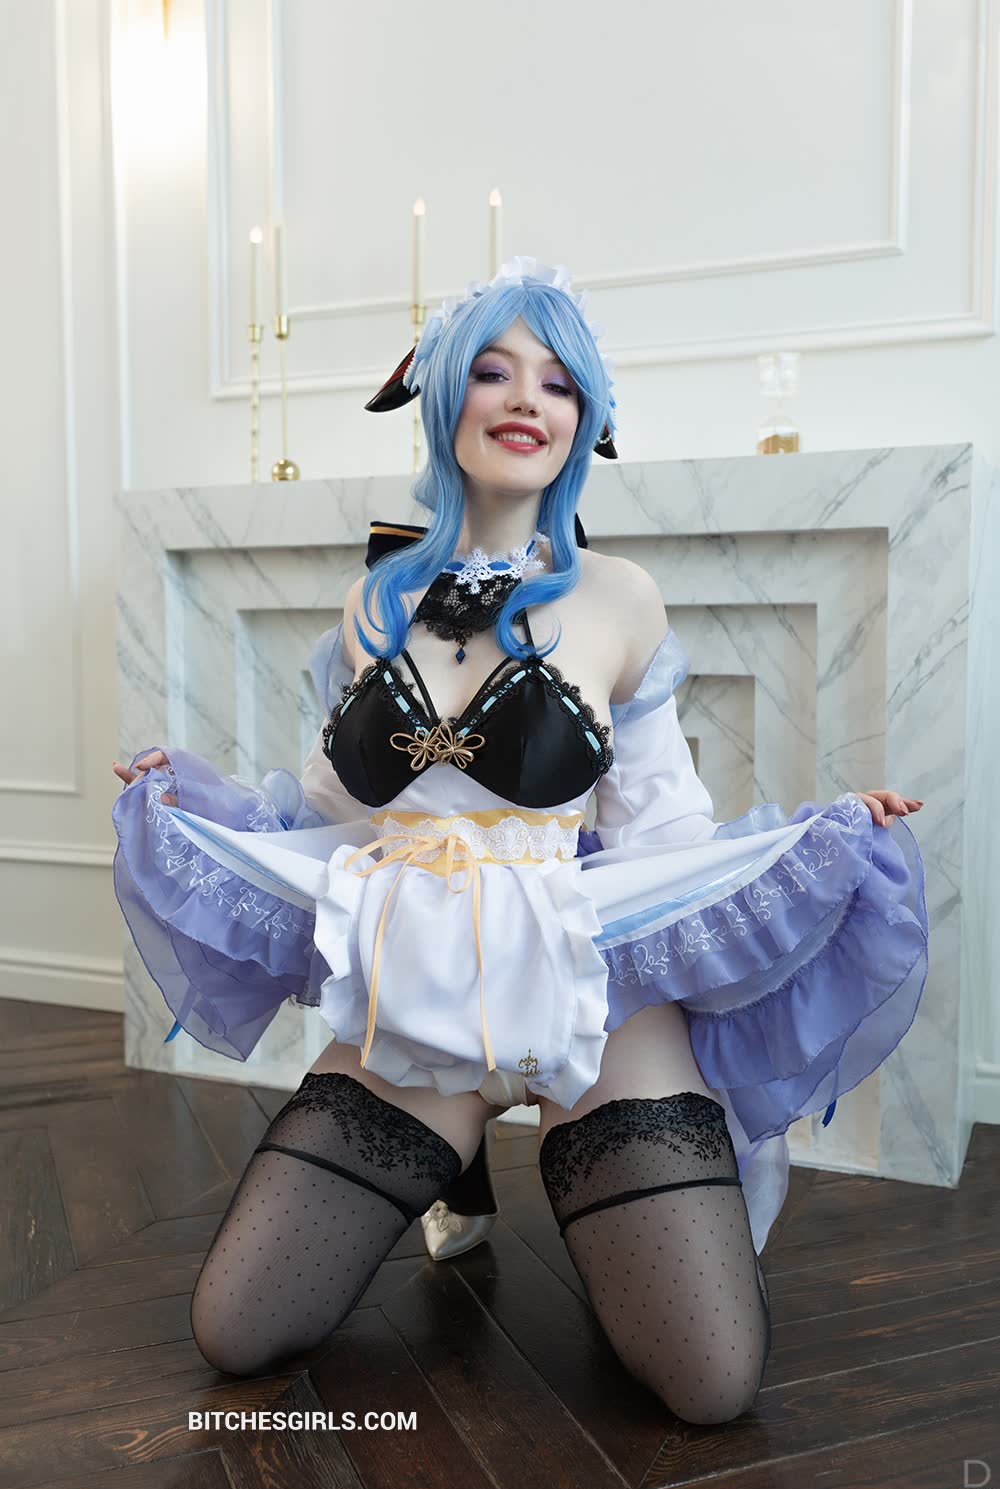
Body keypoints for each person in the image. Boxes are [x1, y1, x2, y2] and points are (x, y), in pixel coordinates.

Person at [111, 255, 928, 1424]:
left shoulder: (620, 597)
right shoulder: (373, 602)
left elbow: (665, 829)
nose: (525, 400)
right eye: (493, 371)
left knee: (709, 1384)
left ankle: (591, 1191)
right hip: (413, 999)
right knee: (234, 1330)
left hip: (589, 996)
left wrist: (821, 838)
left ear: (584, 418)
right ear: (444, 396)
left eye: (557, 381)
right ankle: (461, 1154)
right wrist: (189, 802)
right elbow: (337, 811)